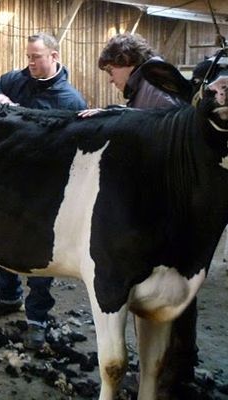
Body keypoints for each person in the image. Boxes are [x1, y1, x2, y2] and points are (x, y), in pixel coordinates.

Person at [79, 32, 192, 400]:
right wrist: (116, 112)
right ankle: (169, 374)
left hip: (167, 215)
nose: (111, 79)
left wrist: (116, 117)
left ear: (127, 63)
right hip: (172, 214)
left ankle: (169, 379)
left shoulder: (156, 91)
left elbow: (155, 132)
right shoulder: (155, 84)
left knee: (171, 304)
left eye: (112, 71)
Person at [0, 32, 87, 349]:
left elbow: (73, 152)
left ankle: (37, 319)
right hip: (8, 180)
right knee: (0, 241)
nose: (30, 63)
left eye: (36, 57)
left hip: (44, 190)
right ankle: (8, 298)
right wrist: (0, 98)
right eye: (28, 56)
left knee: (38, 256)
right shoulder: (19, 79)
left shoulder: (70, 101)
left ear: (54, 57)